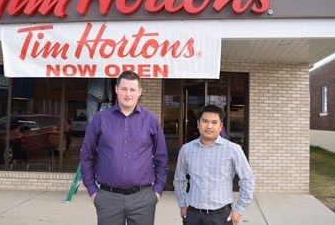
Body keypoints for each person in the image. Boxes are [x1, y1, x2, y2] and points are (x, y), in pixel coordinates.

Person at [81, 70, 169, 225]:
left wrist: (157, 191)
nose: (128, 94)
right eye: (124, 89)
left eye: (132, 89)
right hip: (108, 198)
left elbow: (161, 158)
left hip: (143, 199)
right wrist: (93, 191)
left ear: (139, 92)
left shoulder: (150, 120)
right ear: (116, 89)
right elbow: (87, 156)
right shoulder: (100, 119)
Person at [173, 105, 254, 225]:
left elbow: (247, 179)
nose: (209, 126)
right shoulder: (186, 149)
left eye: (214, 122)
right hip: (193, 215)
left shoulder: (233, 149)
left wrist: (239, 209)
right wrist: (182, 204)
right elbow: (179, 179)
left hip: (221, 216)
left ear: (221, 126)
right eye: (205, 121)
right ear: (198, 124)